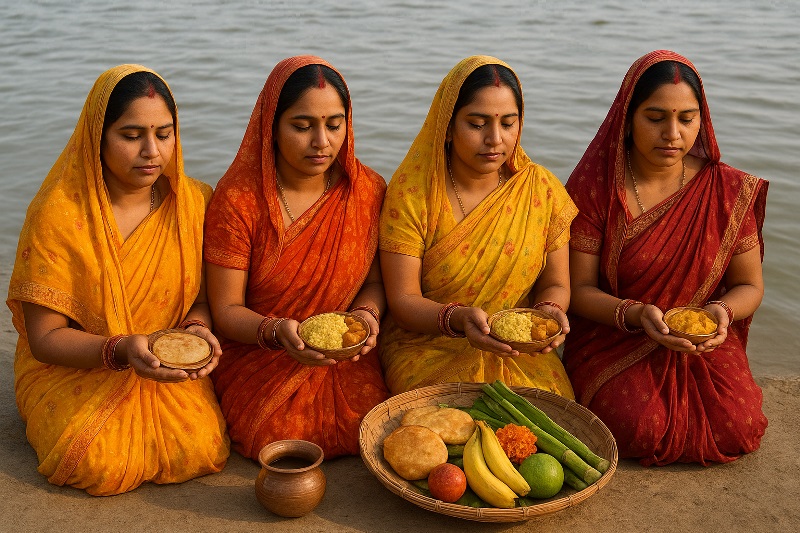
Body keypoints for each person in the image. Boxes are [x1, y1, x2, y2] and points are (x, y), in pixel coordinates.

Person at [7, 65, 230, 495]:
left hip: (164, 365)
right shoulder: (58, 215)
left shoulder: (193, 203)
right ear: (98, 137)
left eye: (164, 134)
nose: (152, 151)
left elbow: (200, 301)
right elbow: (45, 338)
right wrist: (122, 349)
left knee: (198, 450)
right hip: (81, 362)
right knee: (97, 463)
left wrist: (196, 332)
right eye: (131, 135)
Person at [564, 50, 769, 465]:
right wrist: (638, 314)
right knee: (639, 427)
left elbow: (750, 284)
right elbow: (579, 290)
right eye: (655, 118)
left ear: (701, 120)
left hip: (700, 339)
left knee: (737, 426)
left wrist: (721, 314)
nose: (672, 134)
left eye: (687, 118)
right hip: (617, 333)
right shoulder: (596, 188)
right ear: (627, 119)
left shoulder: (725, 190)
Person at [204, 56, 388, 460]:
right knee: (271, 435)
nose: (321, 142)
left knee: (373, 425)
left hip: (344, 353)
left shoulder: (366, 191)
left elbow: (375, 283)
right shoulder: (239, 200)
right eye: (302, 127)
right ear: (271, 127)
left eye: (334, 125)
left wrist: (367, 316)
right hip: (263, 350)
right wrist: (277, 332)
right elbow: (226, 310)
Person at [379, 56, 577, 397]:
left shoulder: (540, 189)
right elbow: (403, 300)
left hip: (519, 350)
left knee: (549, 417)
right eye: (477, 124)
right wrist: (458, 320)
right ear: (448, 127)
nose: (495, 139)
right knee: (441, 420)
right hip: (428, 346)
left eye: (508, 123)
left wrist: (549, 312)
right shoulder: (414, 194)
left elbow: (556, 283)